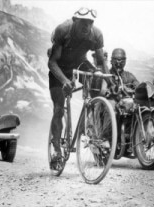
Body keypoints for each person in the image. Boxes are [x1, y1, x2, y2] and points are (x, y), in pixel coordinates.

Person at [47, 7, 109, 164]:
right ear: (75, 21)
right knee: (59, 109)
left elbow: (101, 62)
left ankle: (94, 130)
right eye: (83, 22)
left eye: (90, 22)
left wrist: (108, 81)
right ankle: (56, 149)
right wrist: (64, 81)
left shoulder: (96, 34)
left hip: (79, 63)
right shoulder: (63, 30)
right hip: (60, 68)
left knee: (97, 83)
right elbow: (52, 62)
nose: (86, 26)